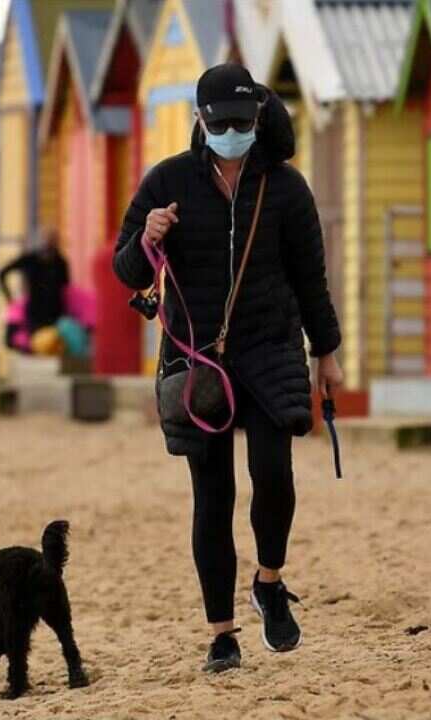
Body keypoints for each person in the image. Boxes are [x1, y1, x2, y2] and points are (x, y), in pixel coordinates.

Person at [112, 64, 343, 673]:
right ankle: (222, 633)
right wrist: (146, 238)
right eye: (221, 124)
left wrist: (328, 352)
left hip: (270, 349)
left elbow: (310, 280)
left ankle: (269, 582)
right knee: (211, 497)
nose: (232, 133)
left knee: (274, 475)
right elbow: (126, 269)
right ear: (200, 120)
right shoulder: (168, 181)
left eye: (242, 123)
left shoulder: (287, 189)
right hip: (196, 361)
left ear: (259, 118)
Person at [0, 228, 70, 352]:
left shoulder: (61, 263)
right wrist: (9, 298)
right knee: (33, 346)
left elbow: (66, 288)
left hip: (55, 314)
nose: (50, 242)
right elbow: (2, 273)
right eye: (47, 238)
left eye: (54, 238)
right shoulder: (31, 259)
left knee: (51, 347)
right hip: (34, 313)